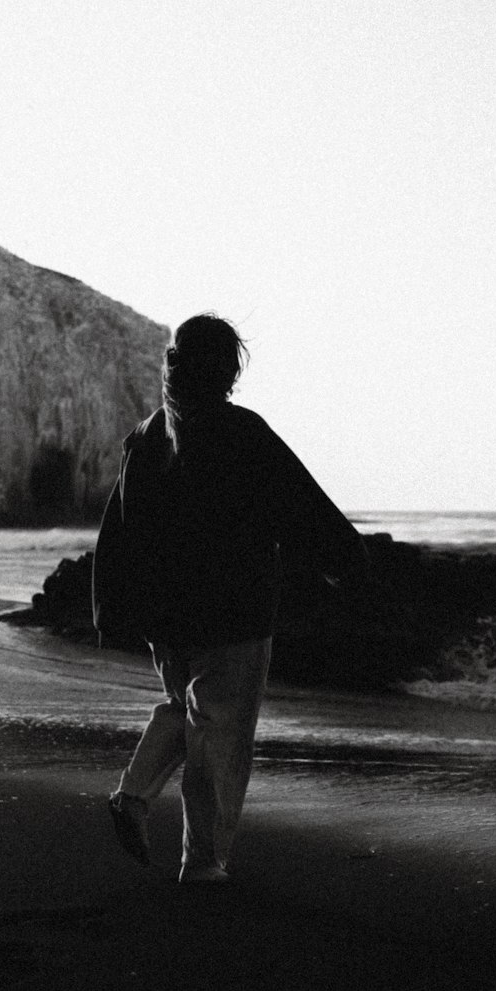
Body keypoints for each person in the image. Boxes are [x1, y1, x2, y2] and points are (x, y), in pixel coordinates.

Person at [92, 313, 368, 884]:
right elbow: (300, 505)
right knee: (222, 733)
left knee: (184, 711)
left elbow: (116, 528)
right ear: (228, 368)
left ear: (174, 363)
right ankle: (204, 861)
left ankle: (134, 796)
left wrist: (110, 605)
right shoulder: (241, 431)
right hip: (233, 614)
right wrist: (347, 562)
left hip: (165, 617)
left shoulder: (147, 436)